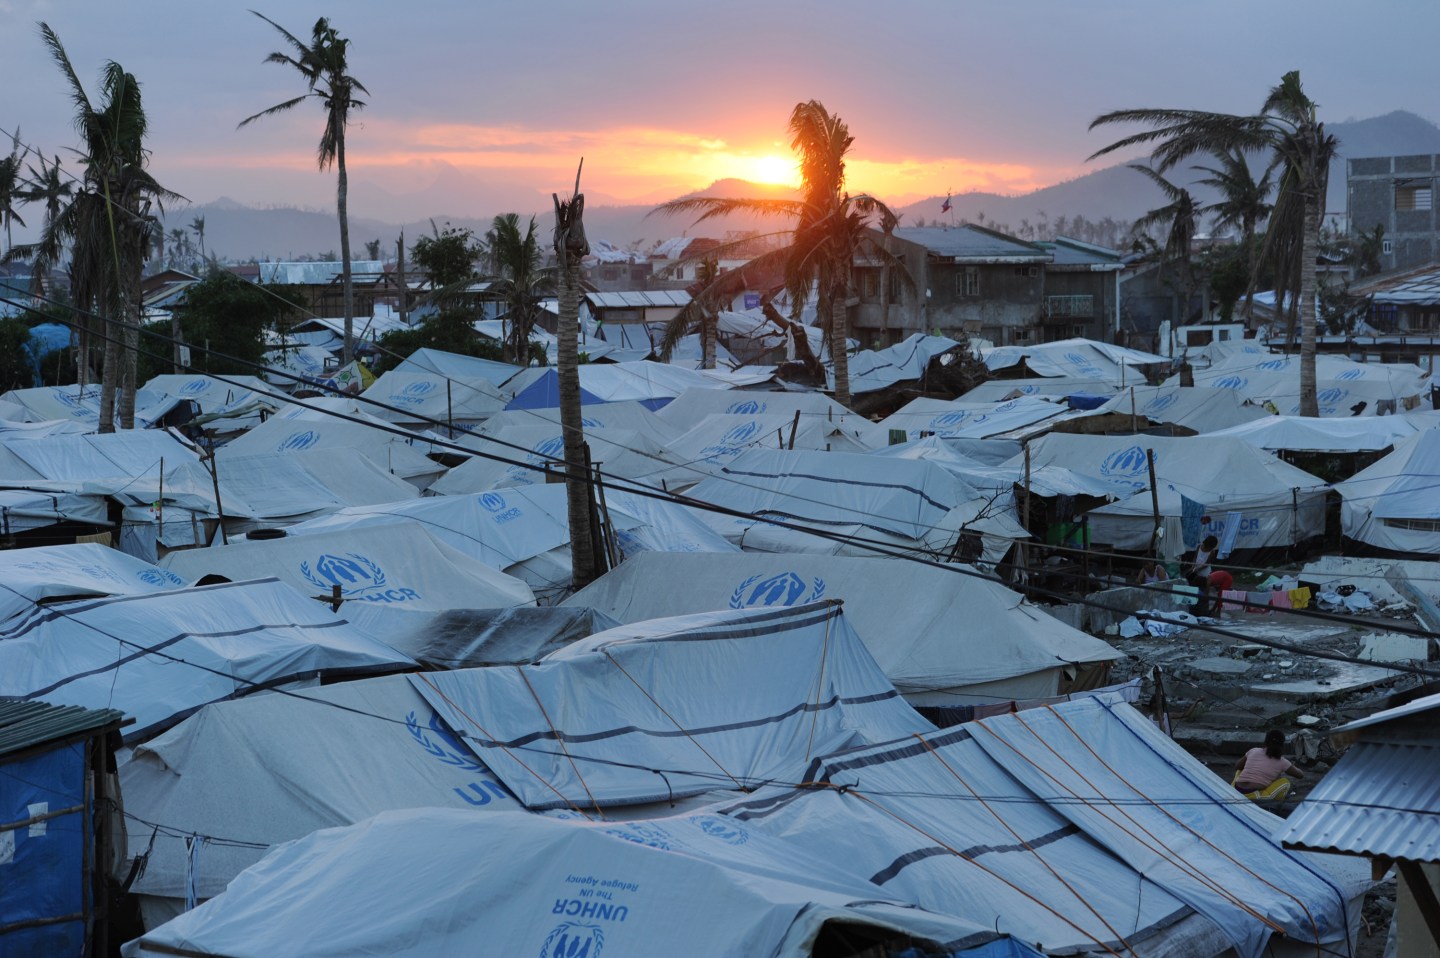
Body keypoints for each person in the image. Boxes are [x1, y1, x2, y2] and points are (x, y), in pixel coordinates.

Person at [1234, 730, 1305, 794]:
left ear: (1266, 741)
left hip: (1237, 789)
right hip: (1254, 795)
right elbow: (1300, 775)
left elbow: (1237, 766)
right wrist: (1292, 765)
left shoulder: (1253, 750)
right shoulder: (1283, 762)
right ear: (1282, 745)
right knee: (1286, 782)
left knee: (1240, 771)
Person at [1187, 535, 1218, 615]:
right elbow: (1195, 558)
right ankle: (1193, 609)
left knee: (1204, 592)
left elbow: (1207, 563)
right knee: (1194, 590)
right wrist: (1193, 567)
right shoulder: (1199, 547)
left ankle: (1204, 611)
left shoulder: (1212, 552)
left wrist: (1198, 568)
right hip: (1196, 572)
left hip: (1205, 573)